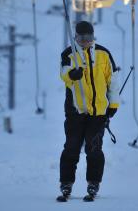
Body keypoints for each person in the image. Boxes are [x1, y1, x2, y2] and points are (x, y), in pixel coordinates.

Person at [58, 21, 120, 200]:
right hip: (75, 110)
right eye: (82, 38)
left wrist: (113, 104)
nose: (86, 42)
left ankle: (93, 183)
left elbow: (113, 81)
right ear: (76, 37)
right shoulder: (69, 54)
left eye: (89, 38)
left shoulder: (103, 53)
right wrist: (72, 74)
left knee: (94, 148)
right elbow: (63, 73)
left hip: (98, 111)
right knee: (72, 147)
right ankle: (66, 183)